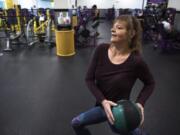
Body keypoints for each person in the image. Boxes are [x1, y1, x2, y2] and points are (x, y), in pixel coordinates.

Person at [71, 15, 155, 135]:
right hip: (102, 106)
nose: (112, 29)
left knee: (129, 132)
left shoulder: (136, 61)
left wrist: (140, 102)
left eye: (119, 27)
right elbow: (89, 79)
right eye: (113, 27)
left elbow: (150, 83)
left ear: (131, 34)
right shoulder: (101, 50)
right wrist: (104, 101)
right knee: (76, 123)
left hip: (120, 112)